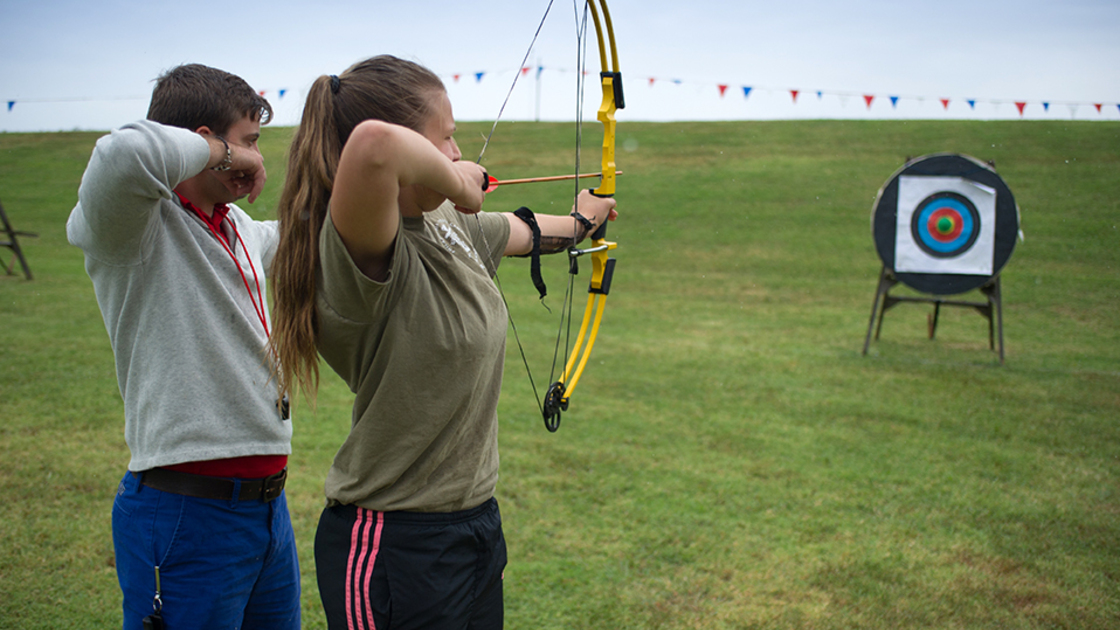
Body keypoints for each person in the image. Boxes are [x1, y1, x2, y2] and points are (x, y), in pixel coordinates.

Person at [270, 55, 617, 630]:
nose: (458, 153)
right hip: (392, 540)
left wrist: (584, 219)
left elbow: (527, 231)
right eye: (448, 139)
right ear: (416, 150)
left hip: (474, 523)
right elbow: (373, 144)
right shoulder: (356, 247)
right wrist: (456, 182)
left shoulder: (445, 225)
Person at [67, 64, 300, 630]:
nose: (254, 159)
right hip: (186, 511)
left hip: (268, 511)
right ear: (202, 144)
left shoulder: (236, 225)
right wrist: (225, 153)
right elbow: (123, 154)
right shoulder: (132, 222)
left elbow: (307, 231)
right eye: (247, 144)